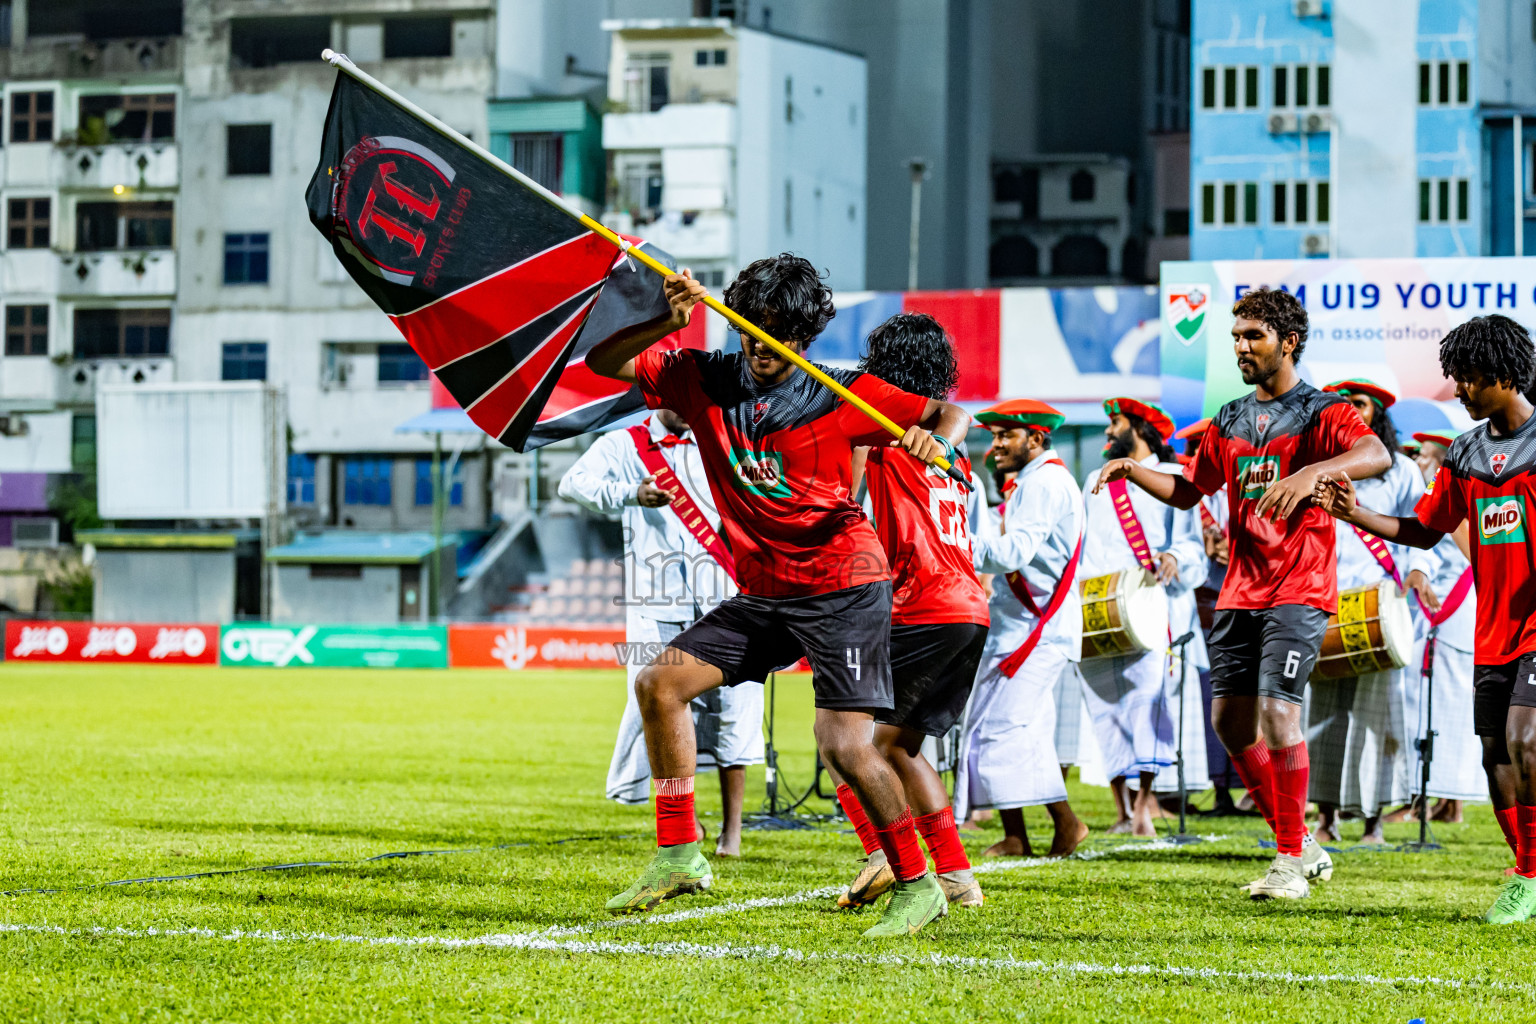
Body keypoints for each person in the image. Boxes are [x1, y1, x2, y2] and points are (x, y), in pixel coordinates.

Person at [586, 255, 972, 938]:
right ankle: (679, 854)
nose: (766, 346)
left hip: (844, 584)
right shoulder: (697, 377)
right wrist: (661, 320)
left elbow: (949, 410)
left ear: (806, 336)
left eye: (784, 335)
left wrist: (934, 437)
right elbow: (602, 362)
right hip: (766, 590)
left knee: (846, 746)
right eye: (754, 329)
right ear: (736, 321)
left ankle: (919, 884)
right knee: (659, 683)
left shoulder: (840, 392)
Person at [1096, 287, 1391, 900]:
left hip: (1300, 586)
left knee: (1280, 712)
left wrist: (1313, 472)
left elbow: (1375, 452)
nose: (1241, 347)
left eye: (1253, 336)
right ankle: (1300, 841)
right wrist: (1132, 470)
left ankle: (1287, 862)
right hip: (1239, 590)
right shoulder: (1228, 418)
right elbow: (1189, 490)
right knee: (1231, 724)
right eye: (1236, 337)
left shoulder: (1322, 410)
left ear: (1288, 342)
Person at [1311, 314, 1536, 923]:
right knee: (1496, 757)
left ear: (1503, 373)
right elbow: (1426, 528)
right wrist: (1355, 514)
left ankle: (1532, 872)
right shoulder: (1465, 452)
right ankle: (1525, 869)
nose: (1456, 390)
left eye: (1465, 378)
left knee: (1526, 738)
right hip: (1495, 627)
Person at [831, 312, 990, 911]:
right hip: (965, 606)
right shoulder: (951, 448)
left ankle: (884, 856)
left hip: (920, 603)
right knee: (900, 748)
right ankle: (955, 878)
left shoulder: (884, 432)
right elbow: (956, 418)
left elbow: (842, 504)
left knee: (845, 741)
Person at [557, 408, 763, 858]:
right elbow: (571, 483)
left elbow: (761, 493)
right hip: (656, 598)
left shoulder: (725, 440)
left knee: (737, 707)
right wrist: (630, 493)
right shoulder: (625, 444)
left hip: (723, 594)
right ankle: (683, 825)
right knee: (658, 706)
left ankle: (733, 831)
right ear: (658, 398)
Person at [954, 399, 1090, 859]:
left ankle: (1058, 826)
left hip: (1038, 628)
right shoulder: (1033, 481)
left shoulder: (1046, 482)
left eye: (1005, 436)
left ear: (1035, 438)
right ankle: (1032, 832)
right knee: (1012, 727)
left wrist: (952, 543)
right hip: (1023, 625)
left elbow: (1014, 553)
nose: (994, 447)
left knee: (1002, 726)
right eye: (993, 437)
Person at [1078, 398, 1207, 836]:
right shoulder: (1093, 480)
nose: (1109, 432)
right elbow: (1083, 545)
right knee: (1104, 706)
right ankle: (1120, 809)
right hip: (1098, 606)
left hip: (1149, 607)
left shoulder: (1174, 479)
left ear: (1141, 428)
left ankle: (1143, 809)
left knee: (1148, 704)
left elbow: (1193, 548)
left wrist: (1173, 555)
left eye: (1116, 423)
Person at [1305, 380, 1422, 844]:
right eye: (1341, 405)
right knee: (1322, 716)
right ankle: (1327, 817)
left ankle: (1374, 822)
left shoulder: (1405, 472)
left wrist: (1420, 573)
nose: (1349, 411)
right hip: (1326, 601)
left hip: (1379, 607)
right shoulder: (1313, 470)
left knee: (1378, 717)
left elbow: (1422, 529)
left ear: (1376, 415)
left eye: (1358, 404)